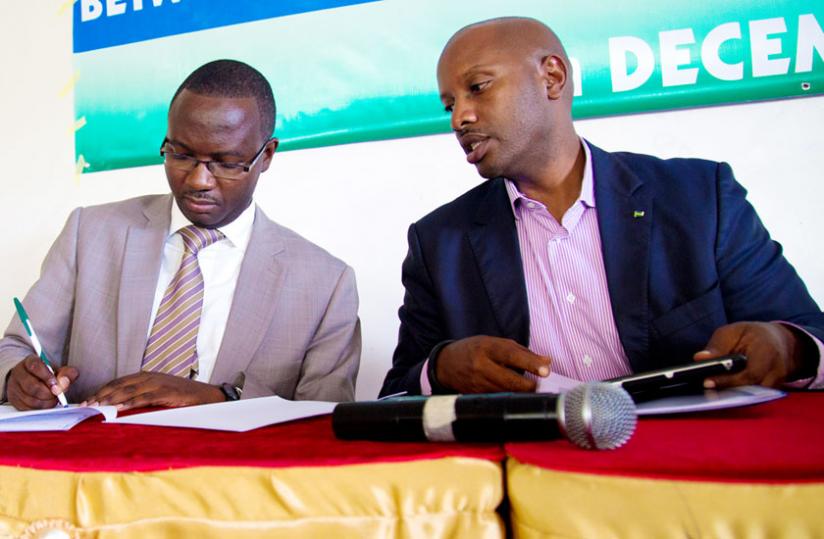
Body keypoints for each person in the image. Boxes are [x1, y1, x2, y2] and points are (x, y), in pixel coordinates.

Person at [380, 17, 824, 397]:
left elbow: (810, 336)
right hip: (536, 474)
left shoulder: (700, 198)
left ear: (552, 77)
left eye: (477, 88)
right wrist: (438, 369)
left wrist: (786, 347)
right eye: (450, 105)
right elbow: (395, 392)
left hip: (698, 465)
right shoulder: (439, 243)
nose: (460, 118)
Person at [1, 60, 361, 410]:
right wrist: (19, 378)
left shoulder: (326, 284)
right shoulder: (90, 234)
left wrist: (221, 397)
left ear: (265, 155)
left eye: (226, 162)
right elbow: (15, 349)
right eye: (181, 155)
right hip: (93, 466)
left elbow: (324, 415)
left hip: (228, 471)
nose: (198, 181)